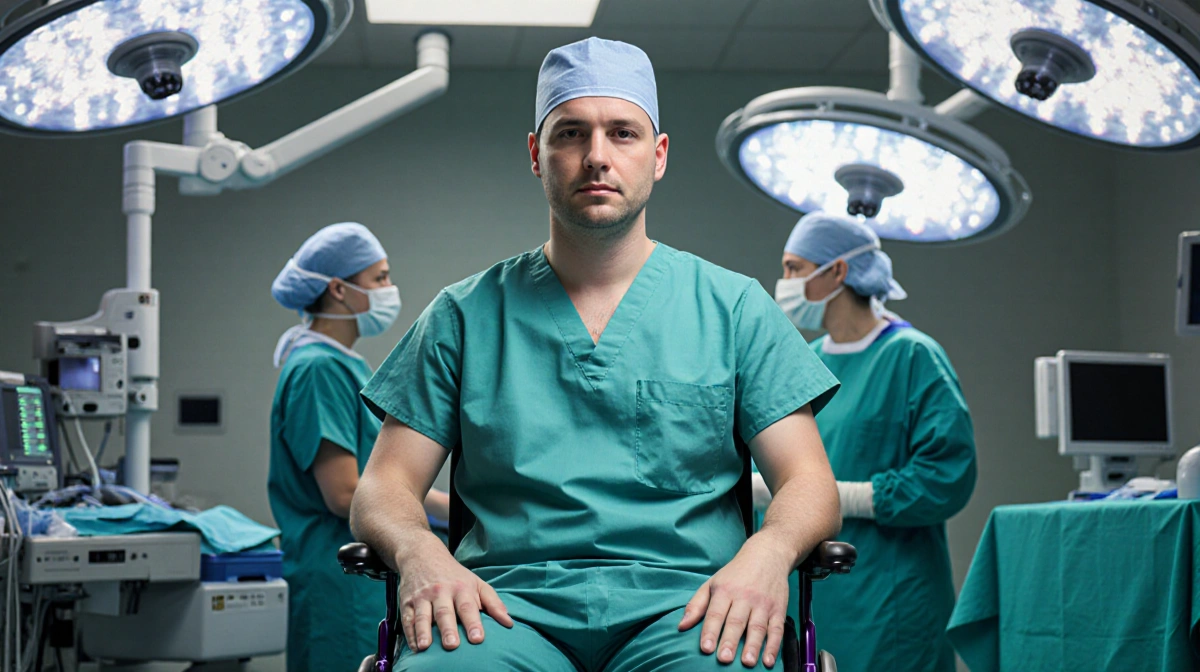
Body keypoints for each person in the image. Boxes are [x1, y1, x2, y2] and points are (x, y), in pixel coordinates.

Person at [350, 38, 844, 672]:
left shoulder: (734, 309)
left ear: (658, 155)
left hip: (691, 610)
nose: (597, 157)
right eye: (570, 133)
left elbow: (809, 482)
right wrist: (419, 551)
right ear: (537, 153)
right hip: (501, 613)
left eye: (623, 133)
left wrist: (769, 553)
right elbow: (383, 485)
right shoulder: (465, 316)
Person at [771, 211, 977, 672]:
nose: (783, 281)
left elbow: (948, 476)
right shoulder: (809, 362)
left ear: (838, 271)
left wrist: (847, 498)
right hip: (820, 593)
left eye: (793, 268)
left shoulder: (912, 356)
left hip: (893, 600)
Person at [268, 222, 450, 672]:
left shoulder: (341, 364)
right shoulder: (317, 368)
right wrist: (452, 517)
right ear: (339, 289)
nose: (390, 289)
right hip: (339, 577)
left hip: (358, 574)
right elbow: (346, 494)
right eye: (379, 278)